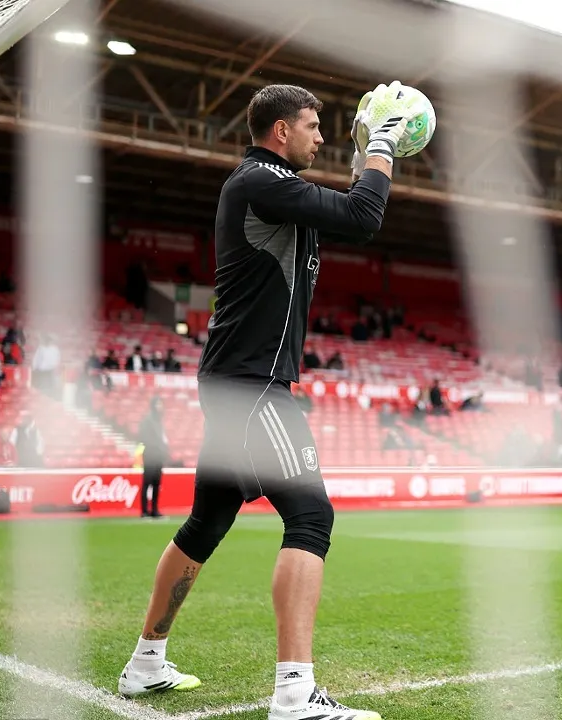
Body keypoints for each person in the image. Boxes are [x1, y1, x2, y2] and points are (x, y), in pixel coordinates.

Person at [115, 82, 418, 720]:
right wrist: (383, 145)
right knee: (311, 517)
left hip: (235, 381)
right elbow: (363, 216)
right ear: (281, 131)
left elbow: (345, 205)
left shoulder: (273, 188)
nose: (320, 137)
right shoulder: (260, 181)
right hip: (251, 384)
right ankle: (294, 693)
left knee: (207, 523)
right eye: (312, 126)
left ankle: (145, 664)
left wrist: (363, 157)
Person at [138, 396, 169, 519]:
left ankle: (155, 510)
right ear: (153, 405)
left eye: (161, 404)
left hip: (158, 456)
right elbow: (143, 438)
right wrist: (157, 445)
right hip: (150, 454)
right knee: (147, 482)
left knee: (156, 483)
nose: (159, 407)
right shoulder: (147, 420)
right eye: (157, 404)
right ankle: (144, 511)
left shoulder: (159, 421)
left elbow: (162, 438)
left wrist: (163, 449)